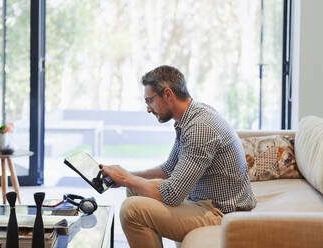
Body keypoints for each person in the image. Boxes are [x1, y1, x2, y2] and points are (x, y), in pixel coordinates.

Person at [99, 65, 256, 248]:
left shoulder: (199, 128)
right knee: (135, 189)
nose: (148, 109)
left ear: (167, 95)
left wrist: (127, 178)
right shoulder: (190, 117)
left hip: (220, 212)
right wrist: (126, 175)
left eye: (150, 101)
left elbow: (172, 194)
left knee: (131, 210)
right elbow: (168, 169)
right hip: (205, 202)